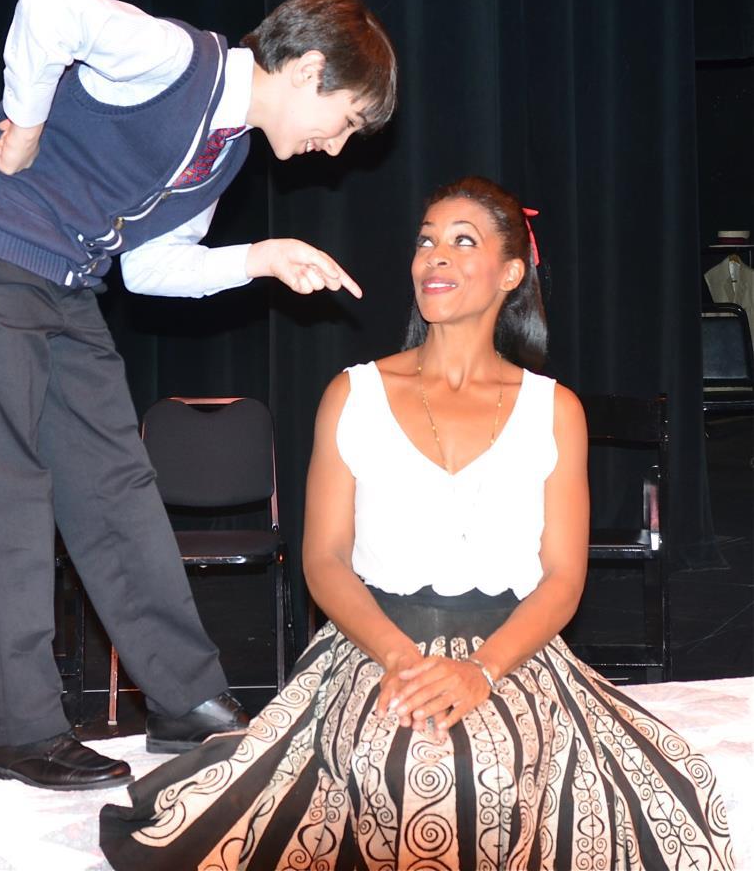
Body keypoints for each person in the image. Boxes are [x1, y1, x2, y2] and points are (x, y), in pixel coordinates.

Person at [99, 176, 734, 869]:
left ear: (510, 273)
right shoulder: (353, 393)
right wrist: (401, 659)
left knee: (499, 771)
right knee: (405, 767)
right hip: (376, 643)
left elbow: (562, 578)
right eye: (426, 240)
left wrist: (481, 671)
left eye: (463, 241)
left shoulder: (555, 409)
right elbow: (324, 560)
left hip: (511, 650)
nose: (436, 255)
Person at [0, 0, 397, 792]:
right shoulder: (176, 60)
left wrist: (261, 258)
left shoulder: (225, 153)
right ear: (308, 69)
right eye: (346, 120)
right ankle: (17, 730)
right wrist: (25, 126)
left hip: (66, 287)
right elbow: (46, 8)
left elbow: (149, 270)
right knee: (4, 491)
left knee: (116, 488)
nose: (336, 146)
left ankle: (184, 702)